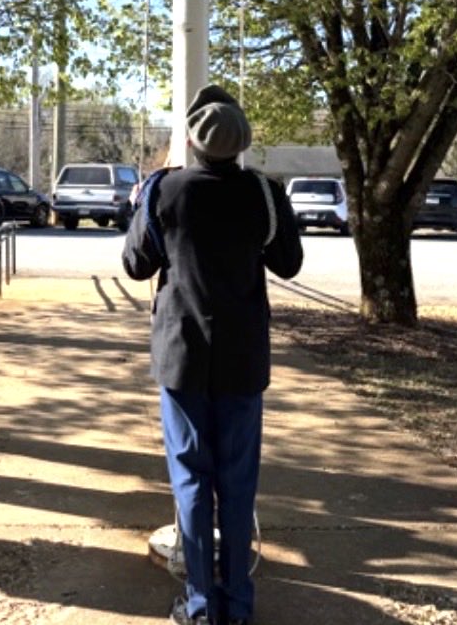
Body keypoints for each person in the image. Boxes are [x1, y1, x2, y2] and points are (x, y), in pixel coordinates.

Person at [122, 85, 303, 625]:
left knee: (192, 480)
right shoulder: (265, 194)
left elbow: (136, 264)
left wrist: (139, 211)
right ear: (243, 142)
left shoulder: (162, 190)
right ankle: (238, 605)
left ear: (193, 141)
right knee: (237, 480)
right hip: (243, 356)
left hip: (182, 355)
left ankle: (201, 606)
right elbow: (288, 262)